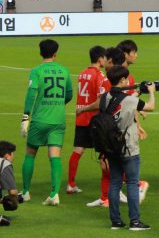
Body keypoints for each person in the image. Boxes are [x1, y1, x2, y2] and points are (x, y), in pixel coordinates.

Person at [20, 39, 73, 205]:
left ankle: (26, 192)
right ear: (55, 53)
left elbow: (31, 94)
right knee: (55, 156)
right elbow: (69, 95)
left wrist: (26, 116)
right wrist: (58, 105)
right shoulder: (64, 71)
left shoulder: (36, 71)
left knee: (30, 153)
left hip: (40, 119)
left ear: (40, 52)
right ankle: (54, 194)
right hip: (58, 120)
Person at [103, 65, 155, 230]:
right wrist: (152, 92)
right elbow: (150, 106)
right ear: (122, 80)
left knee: (114, 183)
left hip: (110, 146)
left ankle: (116, 221)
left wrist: (136, 92)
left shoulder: (105, 97)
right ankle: (135, 221)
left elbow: (119, 104)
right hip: (129, 147)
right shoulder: (130, 100)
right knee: (132, 183)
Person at [67, 46, 107, 195]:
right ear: (100, 59)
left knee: (78, 150)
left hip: (81, 117)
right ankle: (110, 186)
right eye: (104, 57)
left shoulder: (82, 73)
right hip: (94, 119)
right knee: (105, 153)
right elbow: (99, 100)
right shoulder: (99, 76)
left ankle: (70, 184)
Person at [0, 141, 19, 227]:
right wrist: (15, 201)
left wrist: (2, 200)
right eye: (12, 154)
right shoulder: (5, 164)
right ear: (7, 156)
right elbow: (13, 192)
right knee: (5, 221)